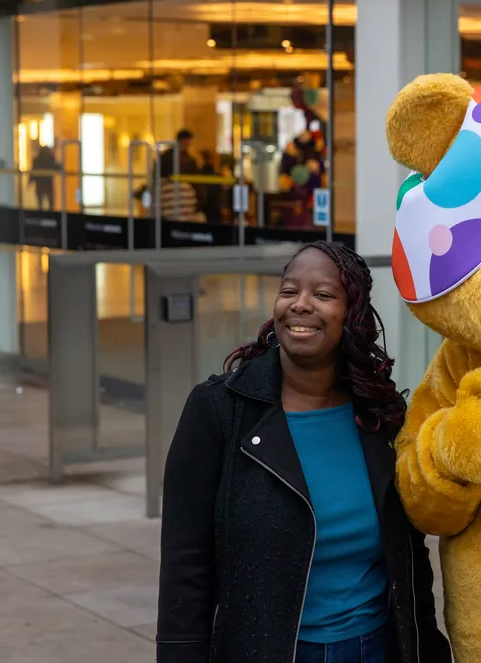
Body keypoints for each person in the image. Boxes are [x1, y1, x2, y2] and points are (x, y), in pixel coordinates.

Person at [156, 241, 452, 663]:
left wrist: (427, 648)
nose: (300, 305)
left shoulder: (380, 415)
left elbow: (408, 554)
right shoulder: (219, 410)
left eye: (324, 295)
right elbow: (185, 566)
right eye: (289, 291)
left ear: (353, 315)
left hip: (374, 649)